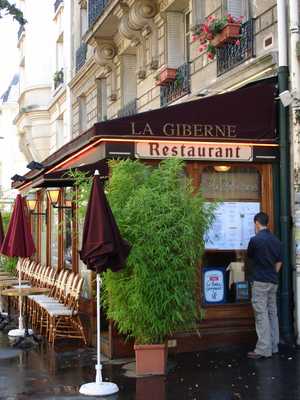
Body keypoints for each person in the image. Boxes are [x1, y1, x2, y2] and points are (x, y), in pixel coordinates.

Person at [246, 212, 282, 359]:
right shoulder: (276, 241)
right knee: (272, 313)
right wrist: (273, 273)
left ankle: (263, 349)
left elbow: (250, 257)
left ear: (256, 223)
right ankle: (274, 346)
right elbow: (279, 261)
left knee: (261, 314)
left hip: (260, 281)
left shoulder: (255, 240)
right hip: (273, 281)